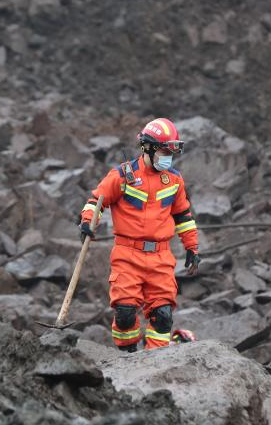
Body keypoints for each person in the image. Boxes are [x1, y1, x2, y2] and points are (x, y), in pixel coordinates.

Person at [78, 118, 200, 352]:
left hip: (160, 258)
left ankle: (155, 360)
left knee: (163, 315)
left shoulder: (174, 180)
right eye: (165, 150)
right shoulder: (123, 175)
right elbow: (96, 200)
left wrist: (192, 248)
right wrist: (87, 222)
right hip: (127, 255)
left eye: (171, 151)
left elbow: (184, 216)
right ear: (149, 148)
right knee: (124, 313)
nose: (169, 156)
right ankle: (128, 356)